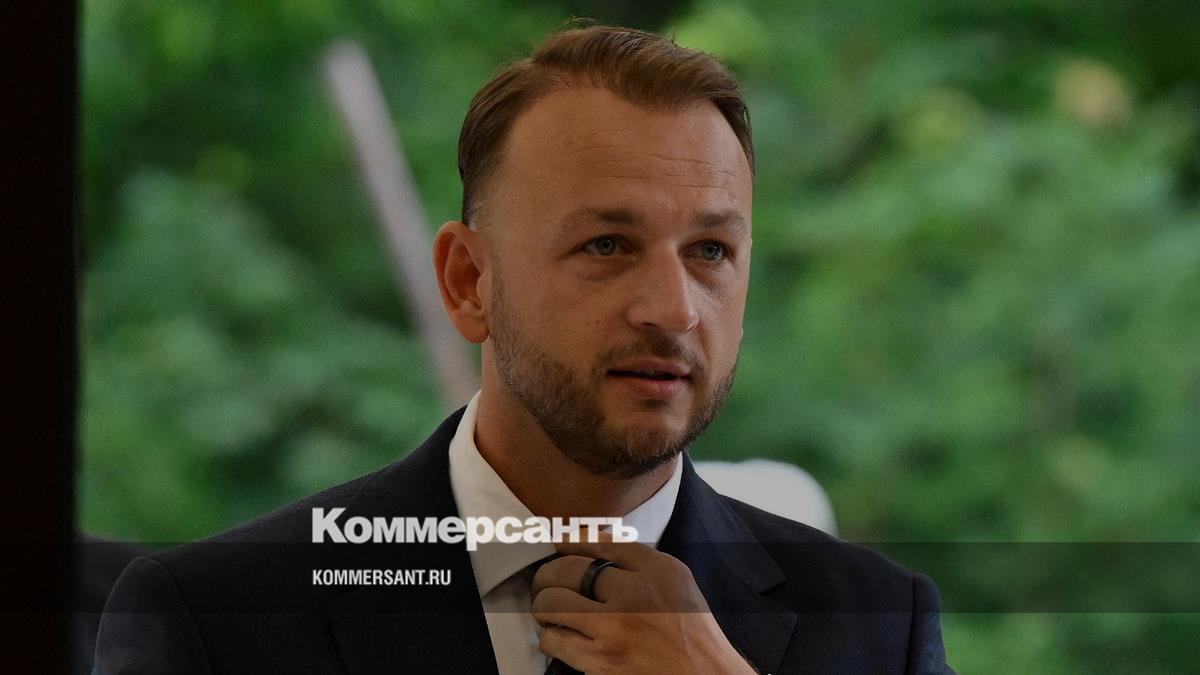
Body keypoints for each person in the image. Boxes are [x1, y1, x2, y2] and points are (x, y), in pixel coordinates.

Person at [95, 24, 953, 674]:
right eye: (607, 245)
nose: (673, 309)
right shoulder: (212, 622)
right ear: (469, 281)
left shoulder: (880, 626)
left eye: (710, 251)